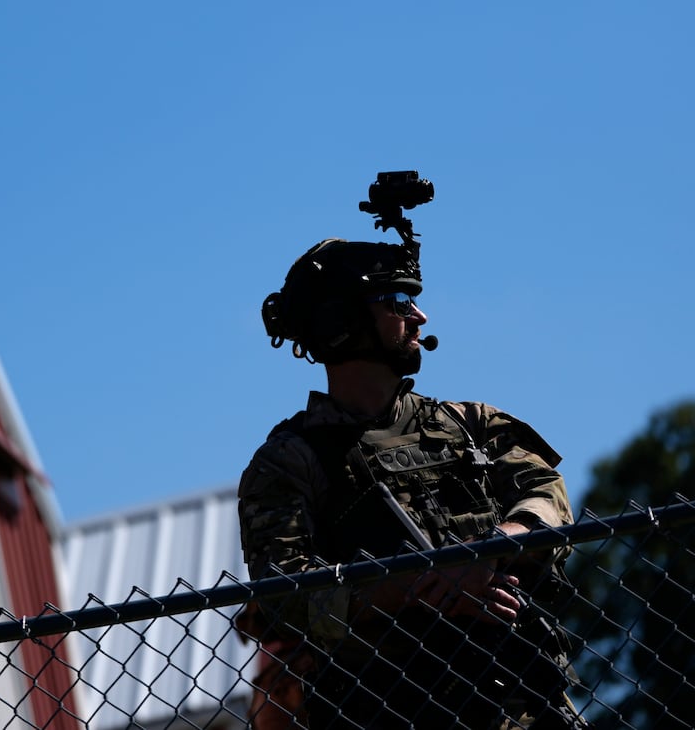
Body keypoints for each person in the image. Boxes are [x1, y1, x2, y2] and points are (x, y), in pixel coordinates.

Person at [238, 232, 582, 729]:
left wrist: (486, 553)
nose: (419, 317)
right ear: (342, 322)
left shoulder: (471, 425)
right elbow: (283, 597)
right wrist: (421, 585)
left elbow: (547, 495)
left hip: (519, 704)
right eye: (399, 301)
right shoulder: (288, 463)